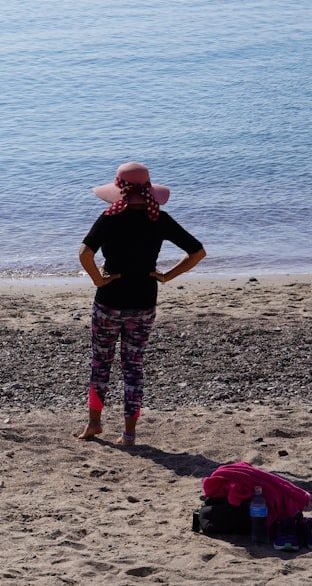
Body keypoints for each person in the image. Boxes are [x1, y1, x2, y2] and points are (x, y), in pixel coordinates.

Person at [76, 162, 205, 446]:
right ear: (148, 190)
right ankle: (129, 434)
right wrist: (167, 276)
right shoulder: (158, 218)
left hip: (109, 302)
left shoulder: (109, 218)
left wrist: (98, 280)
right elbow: (197, 251)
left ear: (119, 189)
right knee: (133, 367)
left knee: (101, 364)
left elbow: (85, 253)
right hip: (144, 302)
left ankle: (94, 424)